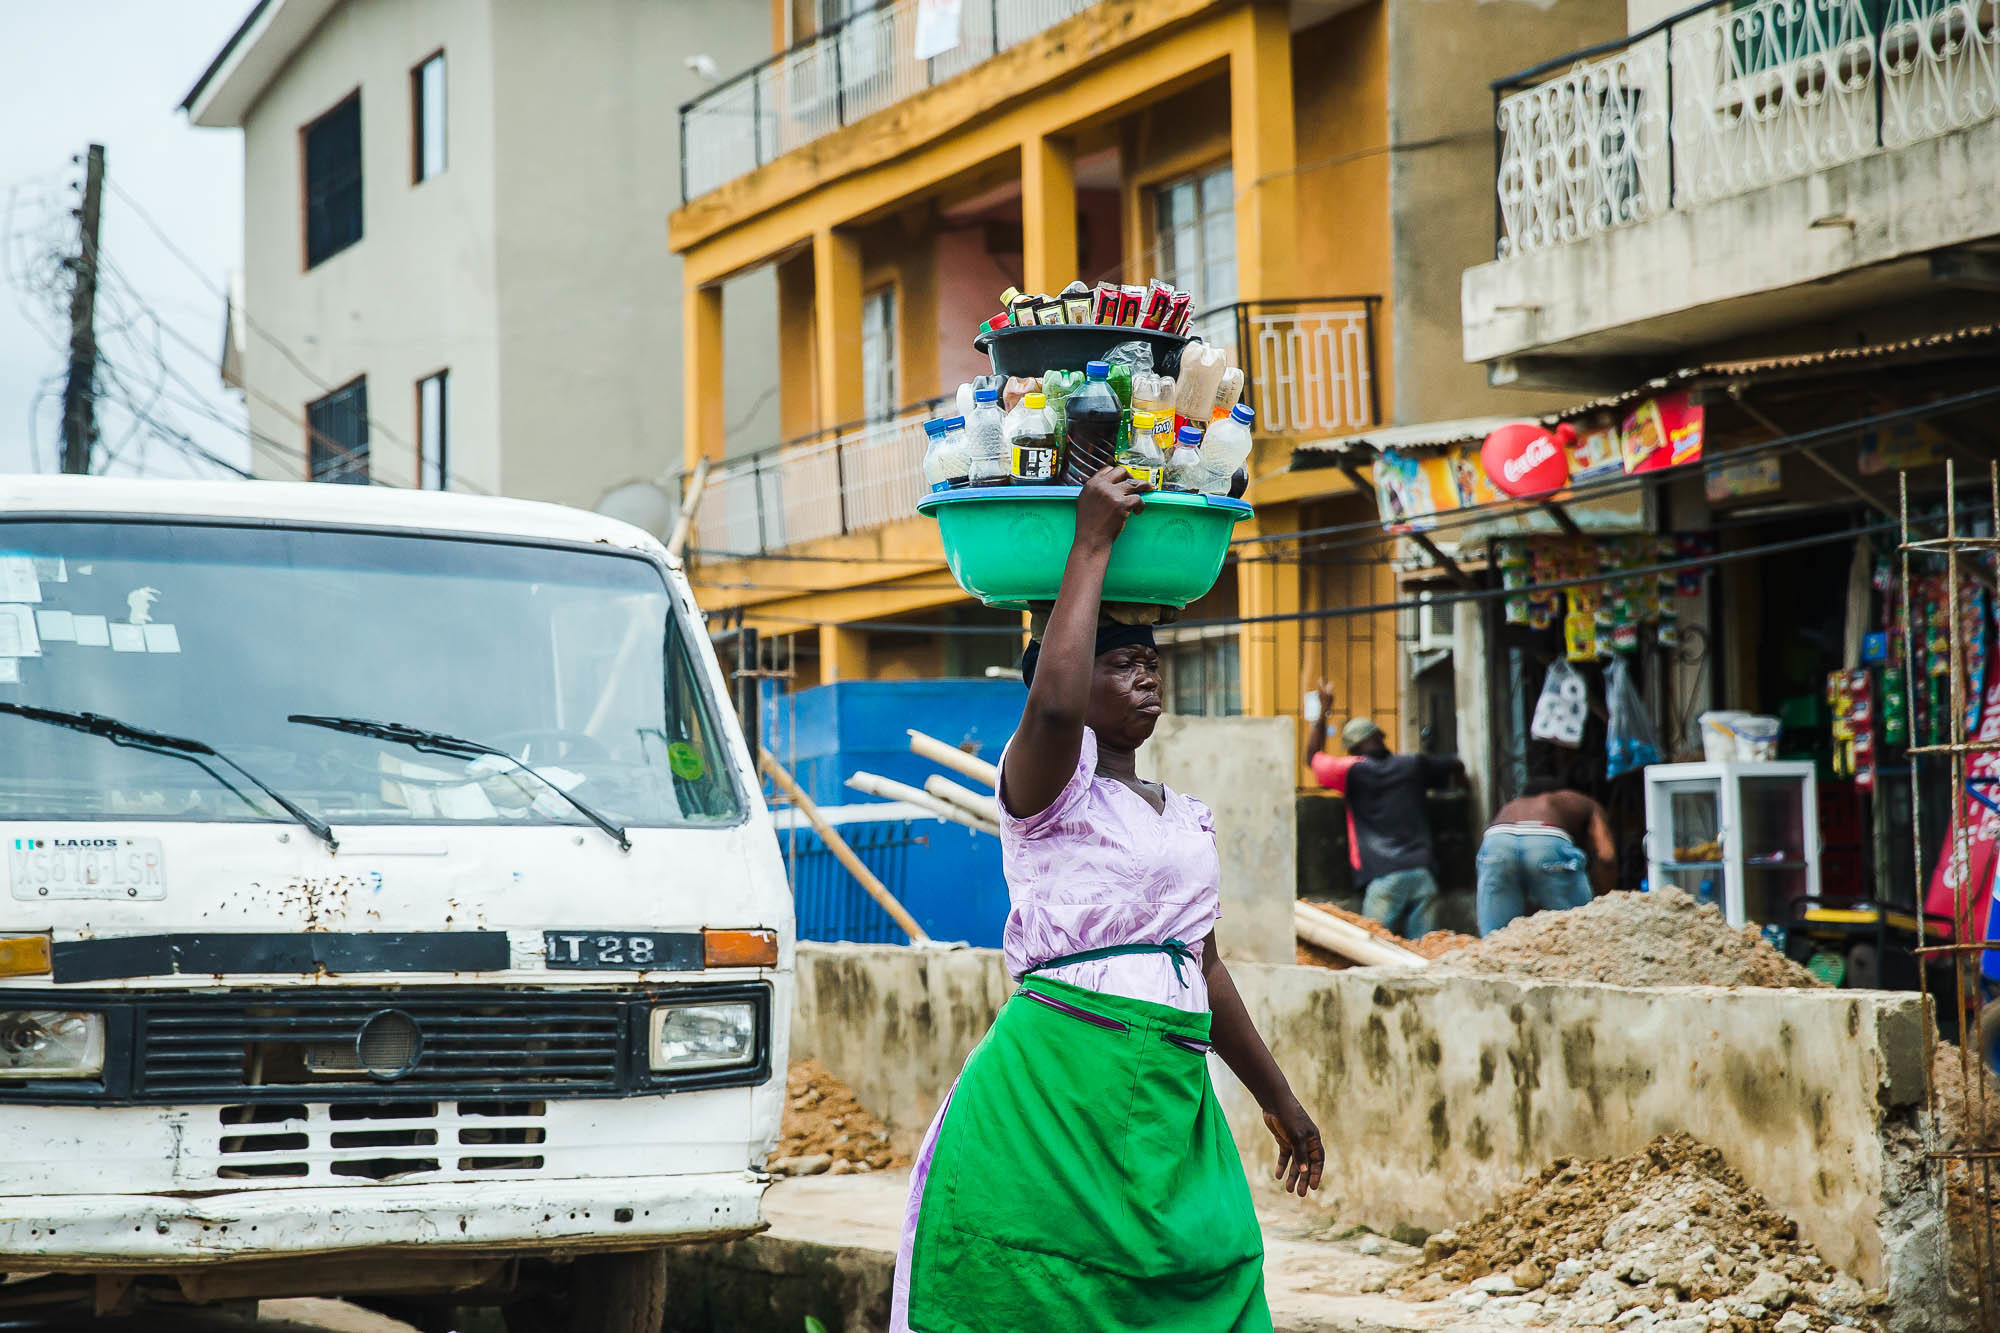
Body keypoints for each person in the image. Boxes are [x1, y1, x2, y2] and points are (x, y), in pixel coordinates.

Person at [892, 467, 1324, 1333]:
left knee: (1211, 1264)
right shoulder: (1048, 792)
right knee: (1042, 1283)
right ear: (1065, 676)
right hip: (1058, 1086)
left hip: (1167, 1085)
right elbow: (1051, 714)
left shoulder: (1183, 817)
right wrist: (1089, 542)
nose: (1146, 676)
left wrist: (1280, 1099)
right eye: (1121, 662)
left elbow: (1202, 965)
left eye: (1152, 662)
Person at [1304, 686, 1463, 939]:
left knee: (1373, 951)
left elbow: (1313, 757)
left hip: (1383, 876)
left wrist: (1322, 712)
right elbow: (1455, 765)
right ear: (1380, 736)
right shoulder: (1412, 765)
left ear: (1352, 749)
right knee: (1426, 954)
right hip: (1423, 873)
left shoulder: (1350, 771)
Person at [1475, 778, 1617, 936]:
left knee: (1496, 937)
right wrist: (1605, 905)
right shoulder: (1581, 802)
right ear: (1562, 793)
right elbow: (1606, 855)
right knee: (1577, 930)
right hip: (1547, 837)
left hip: (1497, 839)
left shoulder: (1511, 807)